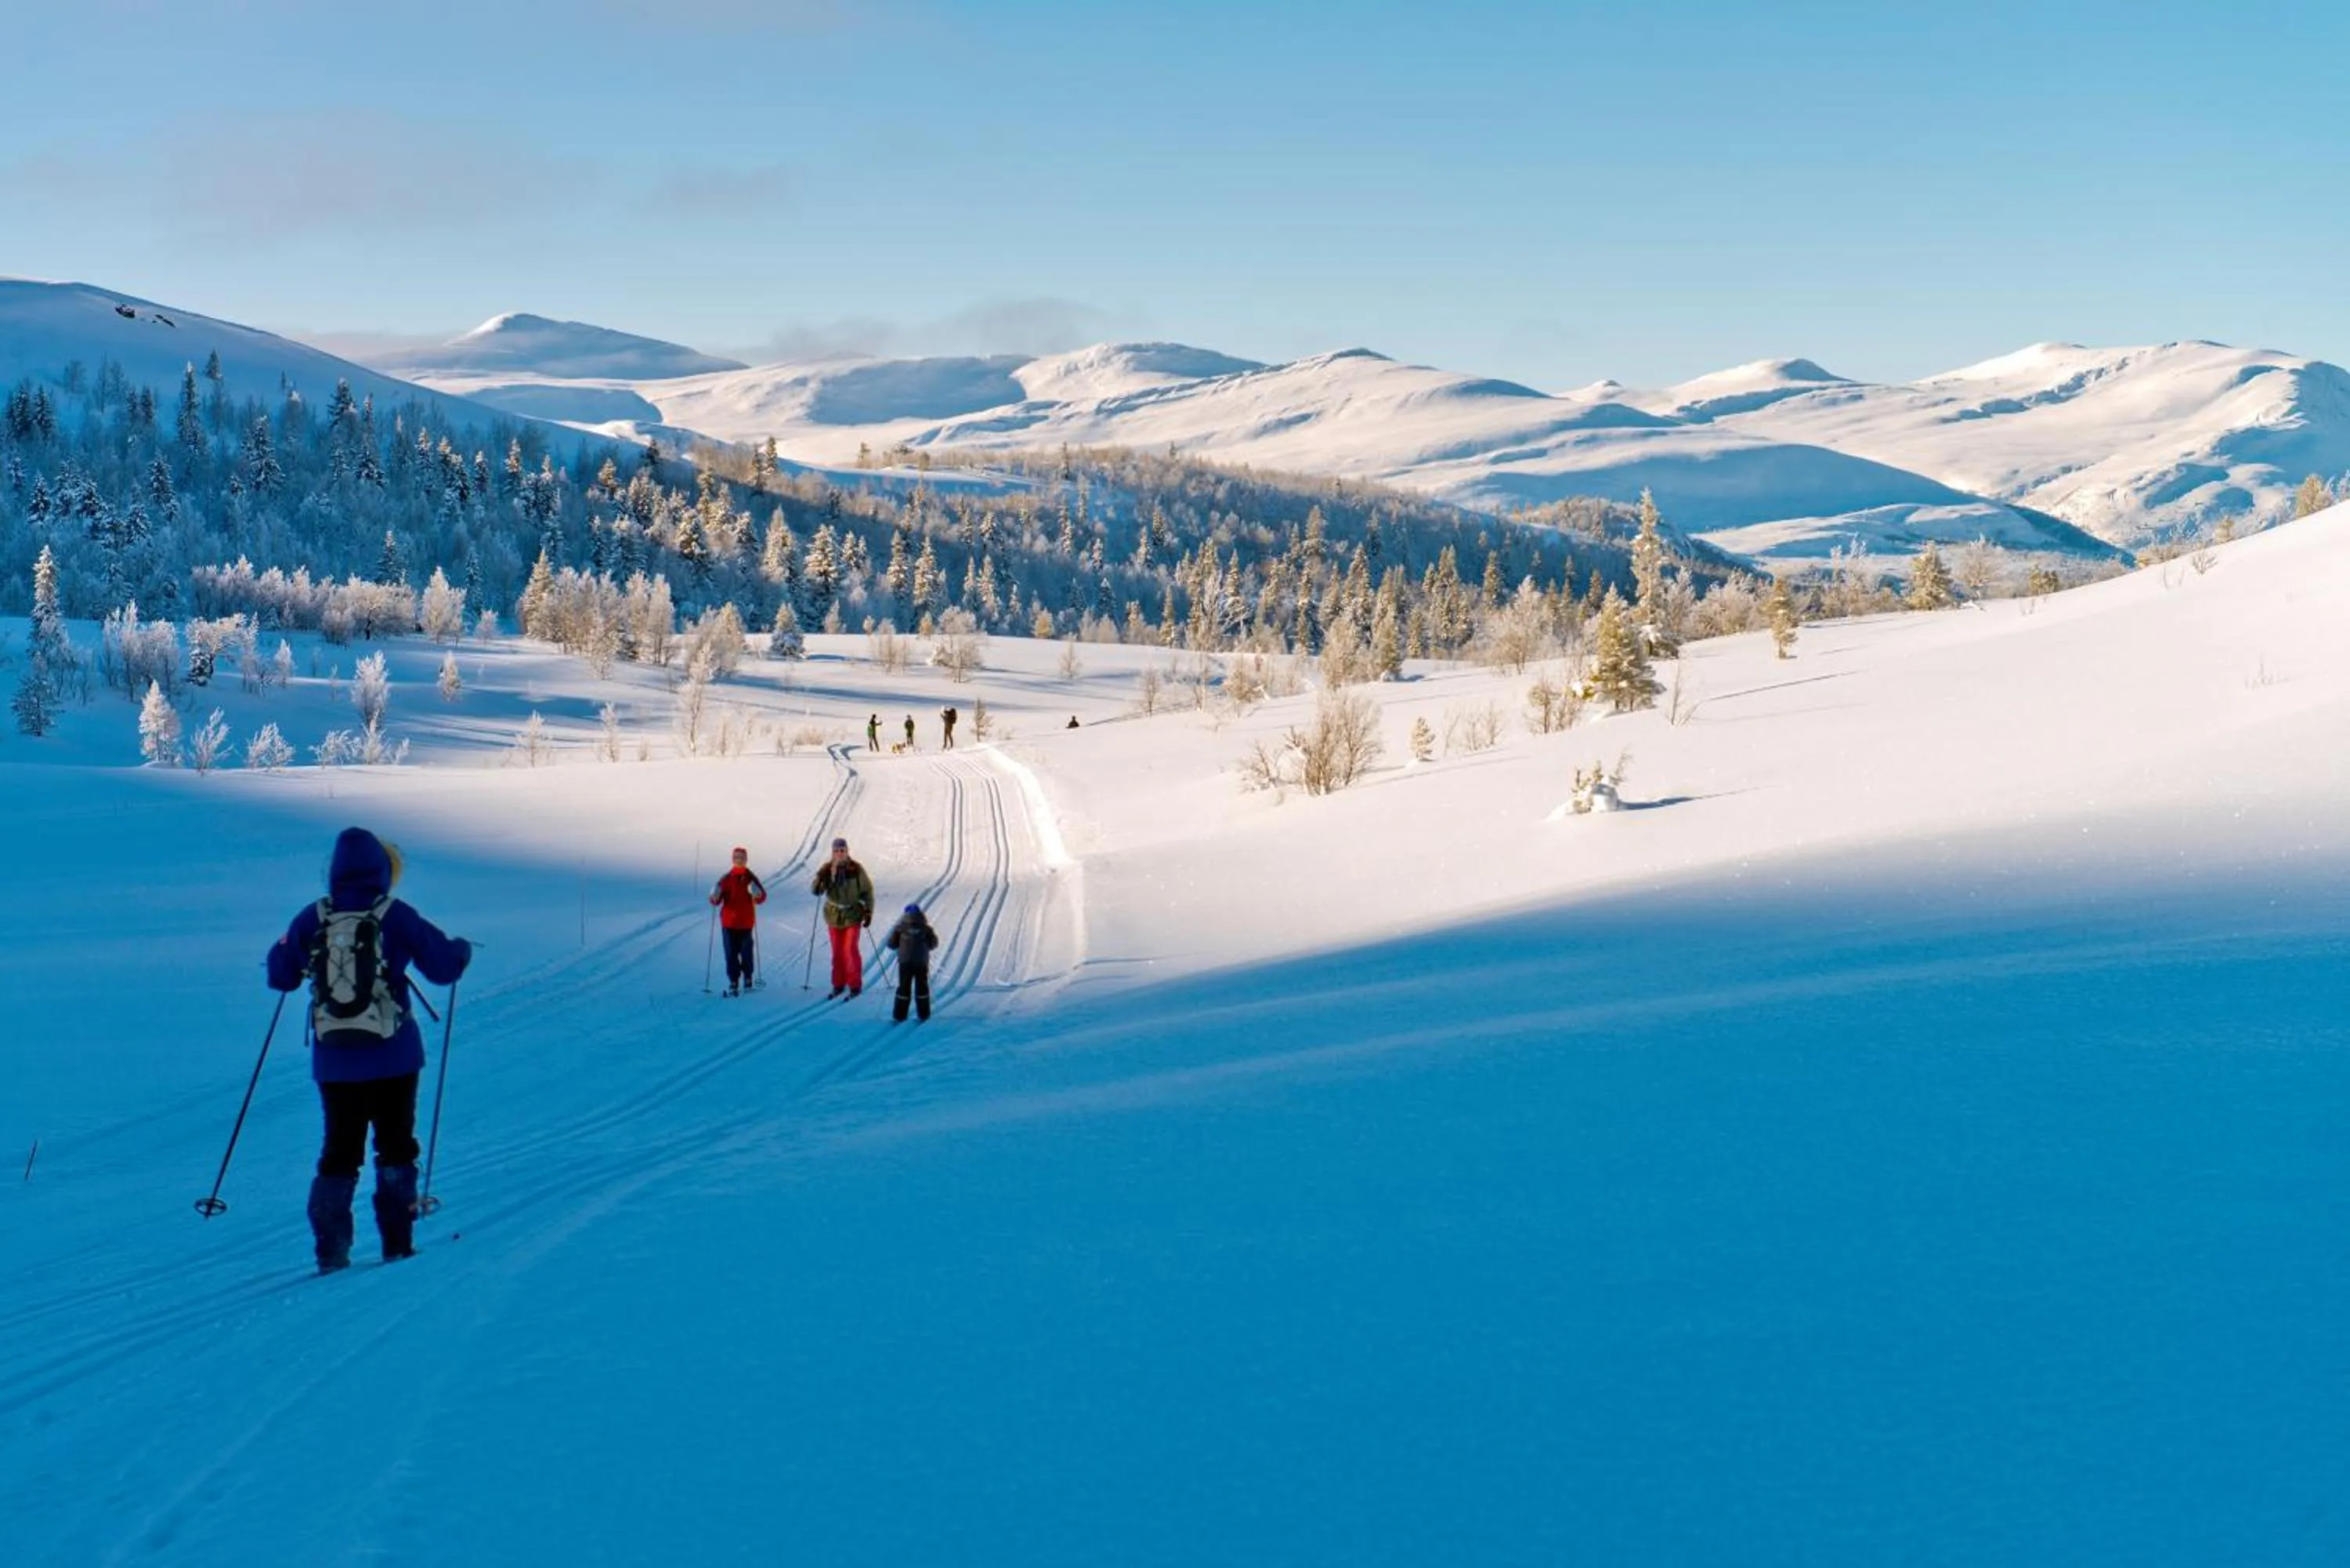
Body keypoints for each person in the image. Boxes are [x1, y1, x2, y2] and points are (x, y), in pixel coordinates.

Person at [266, 827, 471, 1274]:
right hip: (394, 1055)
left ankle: (331, 1253)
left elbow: (280, 976)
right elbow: (443, 967)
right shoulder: (395, 915)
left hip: (334, 1059)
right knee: (396, 1146)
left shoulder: (314, 917)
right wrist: (461, 950)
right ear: (384, 870)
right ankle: (397, 1245)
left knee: (339, 1151)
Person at [811, 836, 873, 998]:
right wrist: (824, 879)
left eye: (842, 850)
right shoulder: (826, 869)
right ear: (833, 852)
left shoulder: (856, 869)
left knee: (850, 950)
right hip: (833, 916)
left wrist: (868, 911)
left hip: (852, 914)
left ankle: (854, 985)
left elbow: (867, 891)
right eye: (837, 851)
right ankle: (838, 984)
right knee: (837, 952)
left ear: (847, 851)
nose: (840, 853)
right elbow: (816, 891)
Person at [709, 847, 767, 996]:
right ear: (733, 859)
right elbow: (716, 901)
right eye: (736, 857)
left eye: (742, 857)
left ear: (746, 860)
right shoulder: (726, 879)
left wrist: (757, 893)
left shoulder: (751, 878)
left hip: (746, 923)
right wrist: (714, 895)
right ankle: (733, 981)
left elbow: (762, 898)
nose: (739, 860)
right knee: (731, 954)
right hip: (729, 923)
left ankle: (748, 978)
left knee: (747, 953)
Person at [884, 901, 939, 1022]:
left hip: (905, 962)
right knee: (922, 987)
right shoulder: (926, 929)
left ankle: (900, 1015)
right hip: (921, 962)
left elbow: (891, 944)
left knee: (904, 987)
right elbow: (934, 944)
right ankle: (924, 1014)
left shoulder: (900, 928)